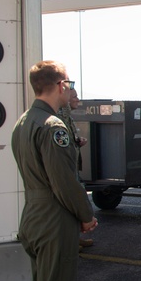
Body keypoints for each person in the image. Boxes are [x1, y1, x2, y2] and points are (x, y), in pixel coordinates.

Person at [11, 60, 98, 281]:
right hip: (53, 219)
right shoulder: (52, 126)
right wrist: (86, 215)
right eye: (70, 83)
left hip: (34, 215)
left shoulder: (24, 121)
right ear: (60, 85)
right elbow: (64, 180)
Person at [58, 87, 92, 248]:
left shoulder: (68, 118)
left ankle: (75, 238)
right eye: (75, 97)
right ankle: (70, 241)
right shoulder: (60, 119)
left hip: (73, 165)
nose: (78, 100)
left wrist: (78, 140)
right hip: (68, 167)